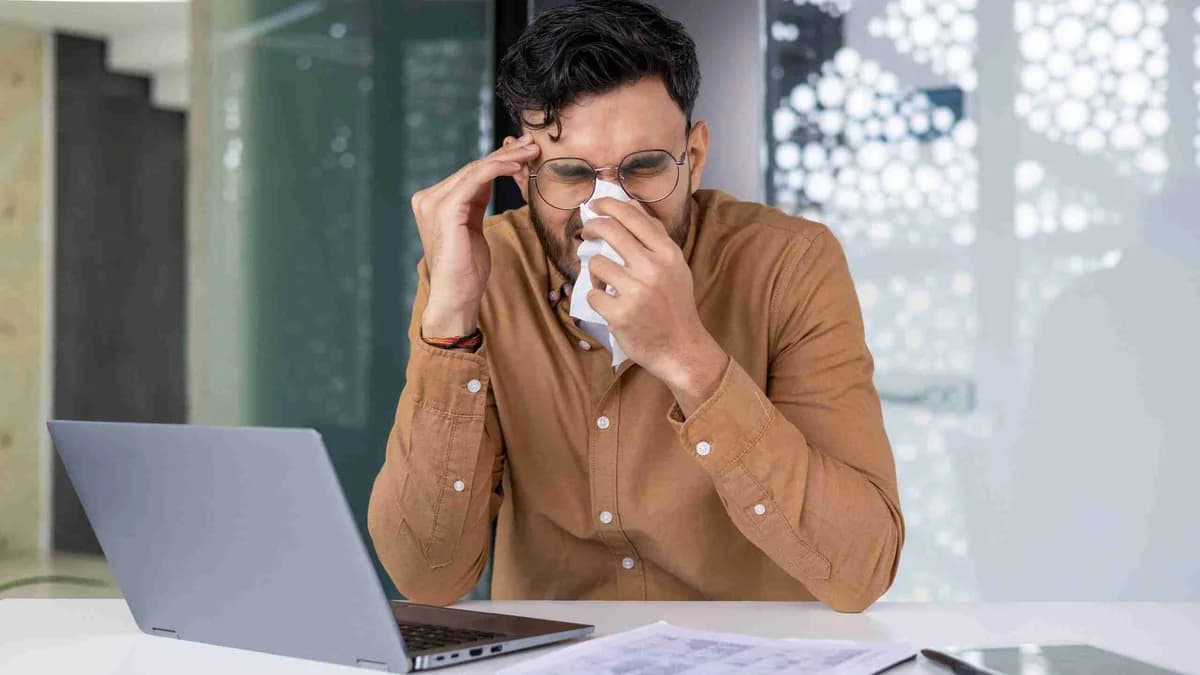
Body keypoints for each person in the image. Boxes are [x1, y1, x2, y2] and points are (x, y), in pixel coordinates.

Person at [368, 0, 903, 612]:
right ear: (523, 174)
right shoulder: (476, 266)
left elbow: (861, 570)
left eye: (644, 167)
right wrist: (450, 329)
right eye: (570, 174)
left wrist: (689, 358)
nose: (608, 208)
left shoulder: (790, 264)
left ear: (693, 158)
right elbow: (427, 577)